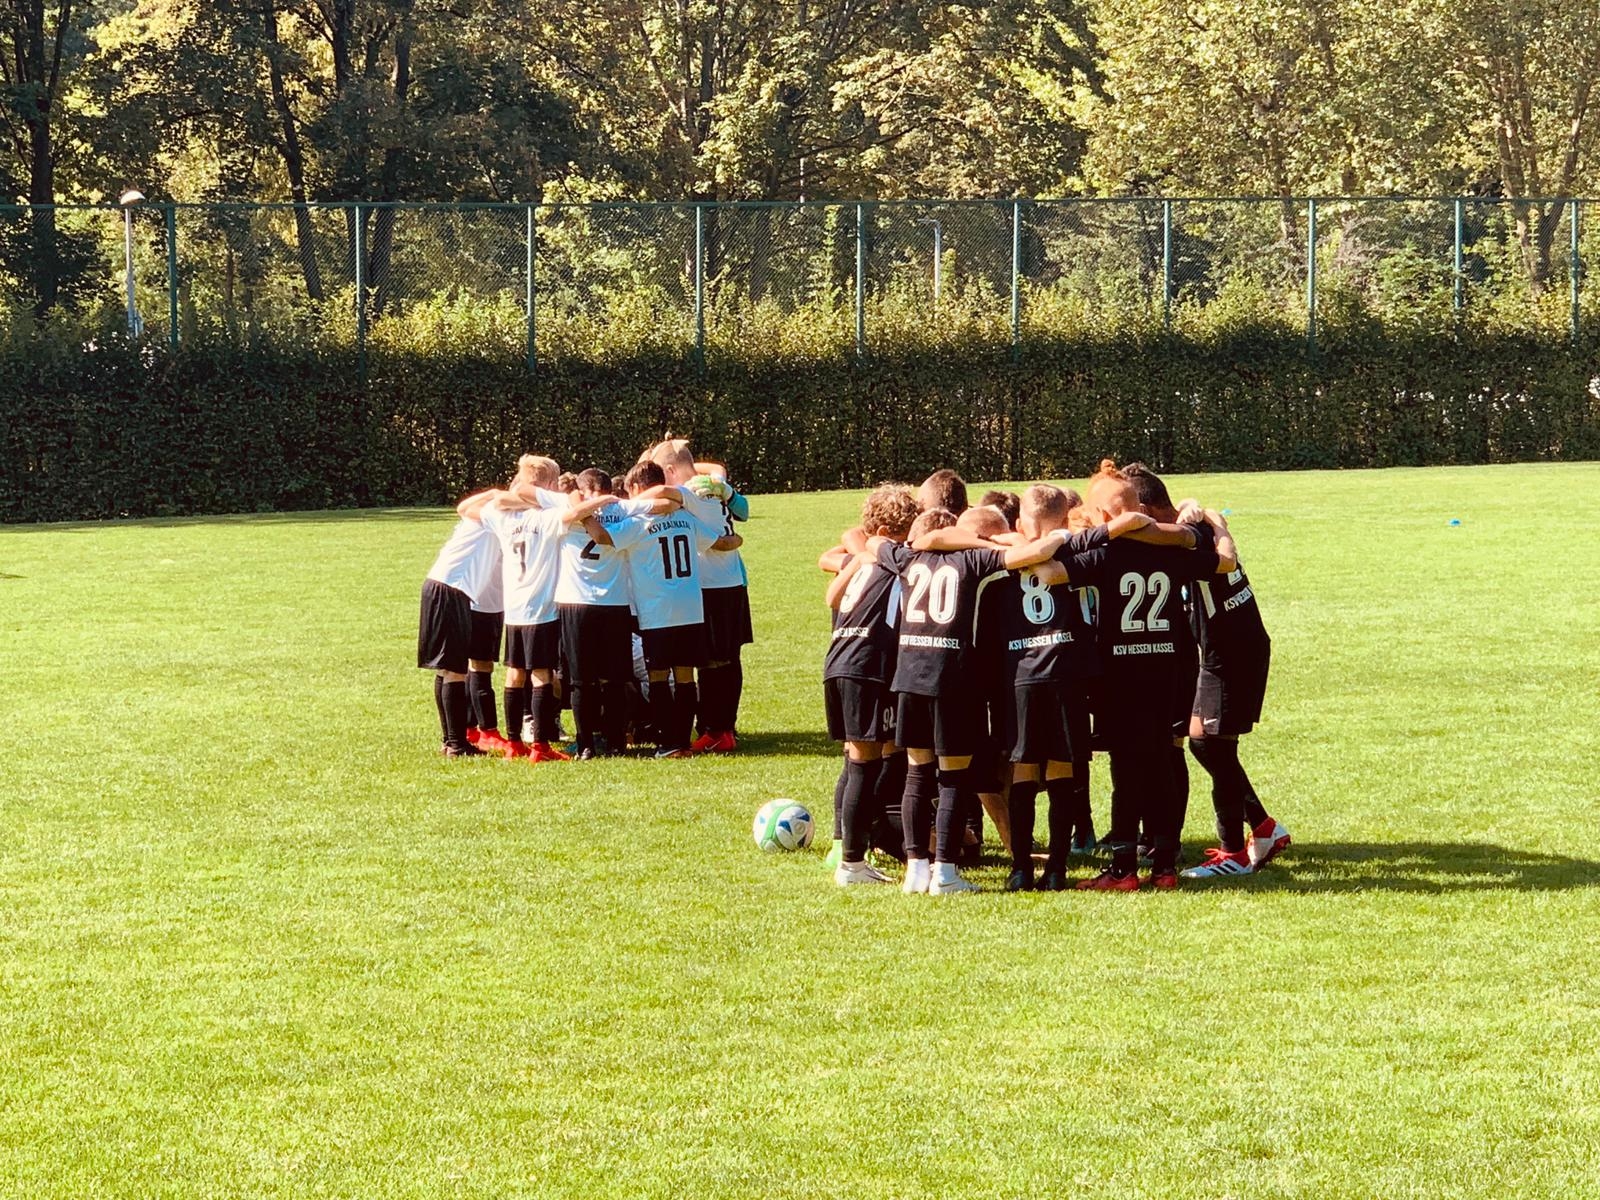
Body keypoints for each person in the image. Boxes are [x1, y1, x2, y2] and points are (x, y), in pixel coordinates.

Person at [870, 508, 1075, 894]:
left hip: (909, 675)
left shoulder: (909, 557)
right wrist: (1059, 537)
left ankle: (916, 869)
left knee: (917, 772)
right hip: (952, 677)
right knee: (952, 777)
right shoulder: (975, 560)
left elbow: (874, 541)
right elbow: (1032, 554)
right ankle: (945, 873)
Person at [1064, 463, 1238, 890]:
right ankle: (1164, 865)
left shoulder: (1102, 553)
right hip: (1167, 670)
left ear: (1105, 516)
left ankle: (1123, 867)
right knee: (1161, 761)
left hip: (1119, 674)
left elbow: (1054, 569)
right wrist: (1211, 525)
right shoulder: (1170, 552)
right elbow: (1223, 563)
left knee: (1126, 770)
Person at [584, 460, 741, 757]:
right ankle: (683, 741)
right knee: (685, 676)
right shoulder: (685, 517)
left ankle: (668, 743)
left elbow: (603, 537)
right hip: (691, 607)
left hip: (657, 610)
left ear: (635, 488)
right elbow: (719, 543)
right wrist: (737, 540)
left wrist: (584, 518)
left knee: (658, 675)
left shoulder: (638, 523)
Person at [820, 485, 921, 885]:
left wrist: (859, 554)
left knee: (860, 758)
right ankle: (852, 862)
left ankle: (857, 846)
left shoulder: (863, 560)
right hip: (868, 666)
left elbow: (832, 596)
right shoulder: (895, 562)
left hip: (838, 661)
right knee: (865, 763)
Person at [553, 468, 679, 759]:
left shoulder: (568, 509)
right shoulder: (622, 509)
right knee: (614, 679)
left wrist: (584, 506)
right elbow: (666, 505)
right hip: (614, 603)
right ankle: (615, 743)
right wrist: (623, 502)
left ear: (583, 490)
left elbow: (563, 507)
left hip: (575, 602)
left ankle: (586, 745)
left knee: (581, 681)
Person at [646, 440, 754, 753]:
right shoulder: (714, 483)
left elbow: (658, 492)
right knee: (726, 658)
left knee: (714, 661)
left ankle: (717, 729)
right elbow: (740, 506)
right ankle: (721, 727)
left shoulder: (690, 492)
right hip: (730, 581)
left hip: (712, 586)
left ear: (669, 470)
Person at [418, 497, 504, 757]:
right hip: (451, 589)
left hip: (442, 586)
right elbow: (464, 508)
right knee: (454, 670)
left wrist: (492, 493)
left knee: (446, 669)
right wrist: (496, 492)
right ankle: (456, 744)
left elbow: (463, 507)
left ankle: (450, 741)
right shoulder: (494, 519)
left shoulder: (480, 516)